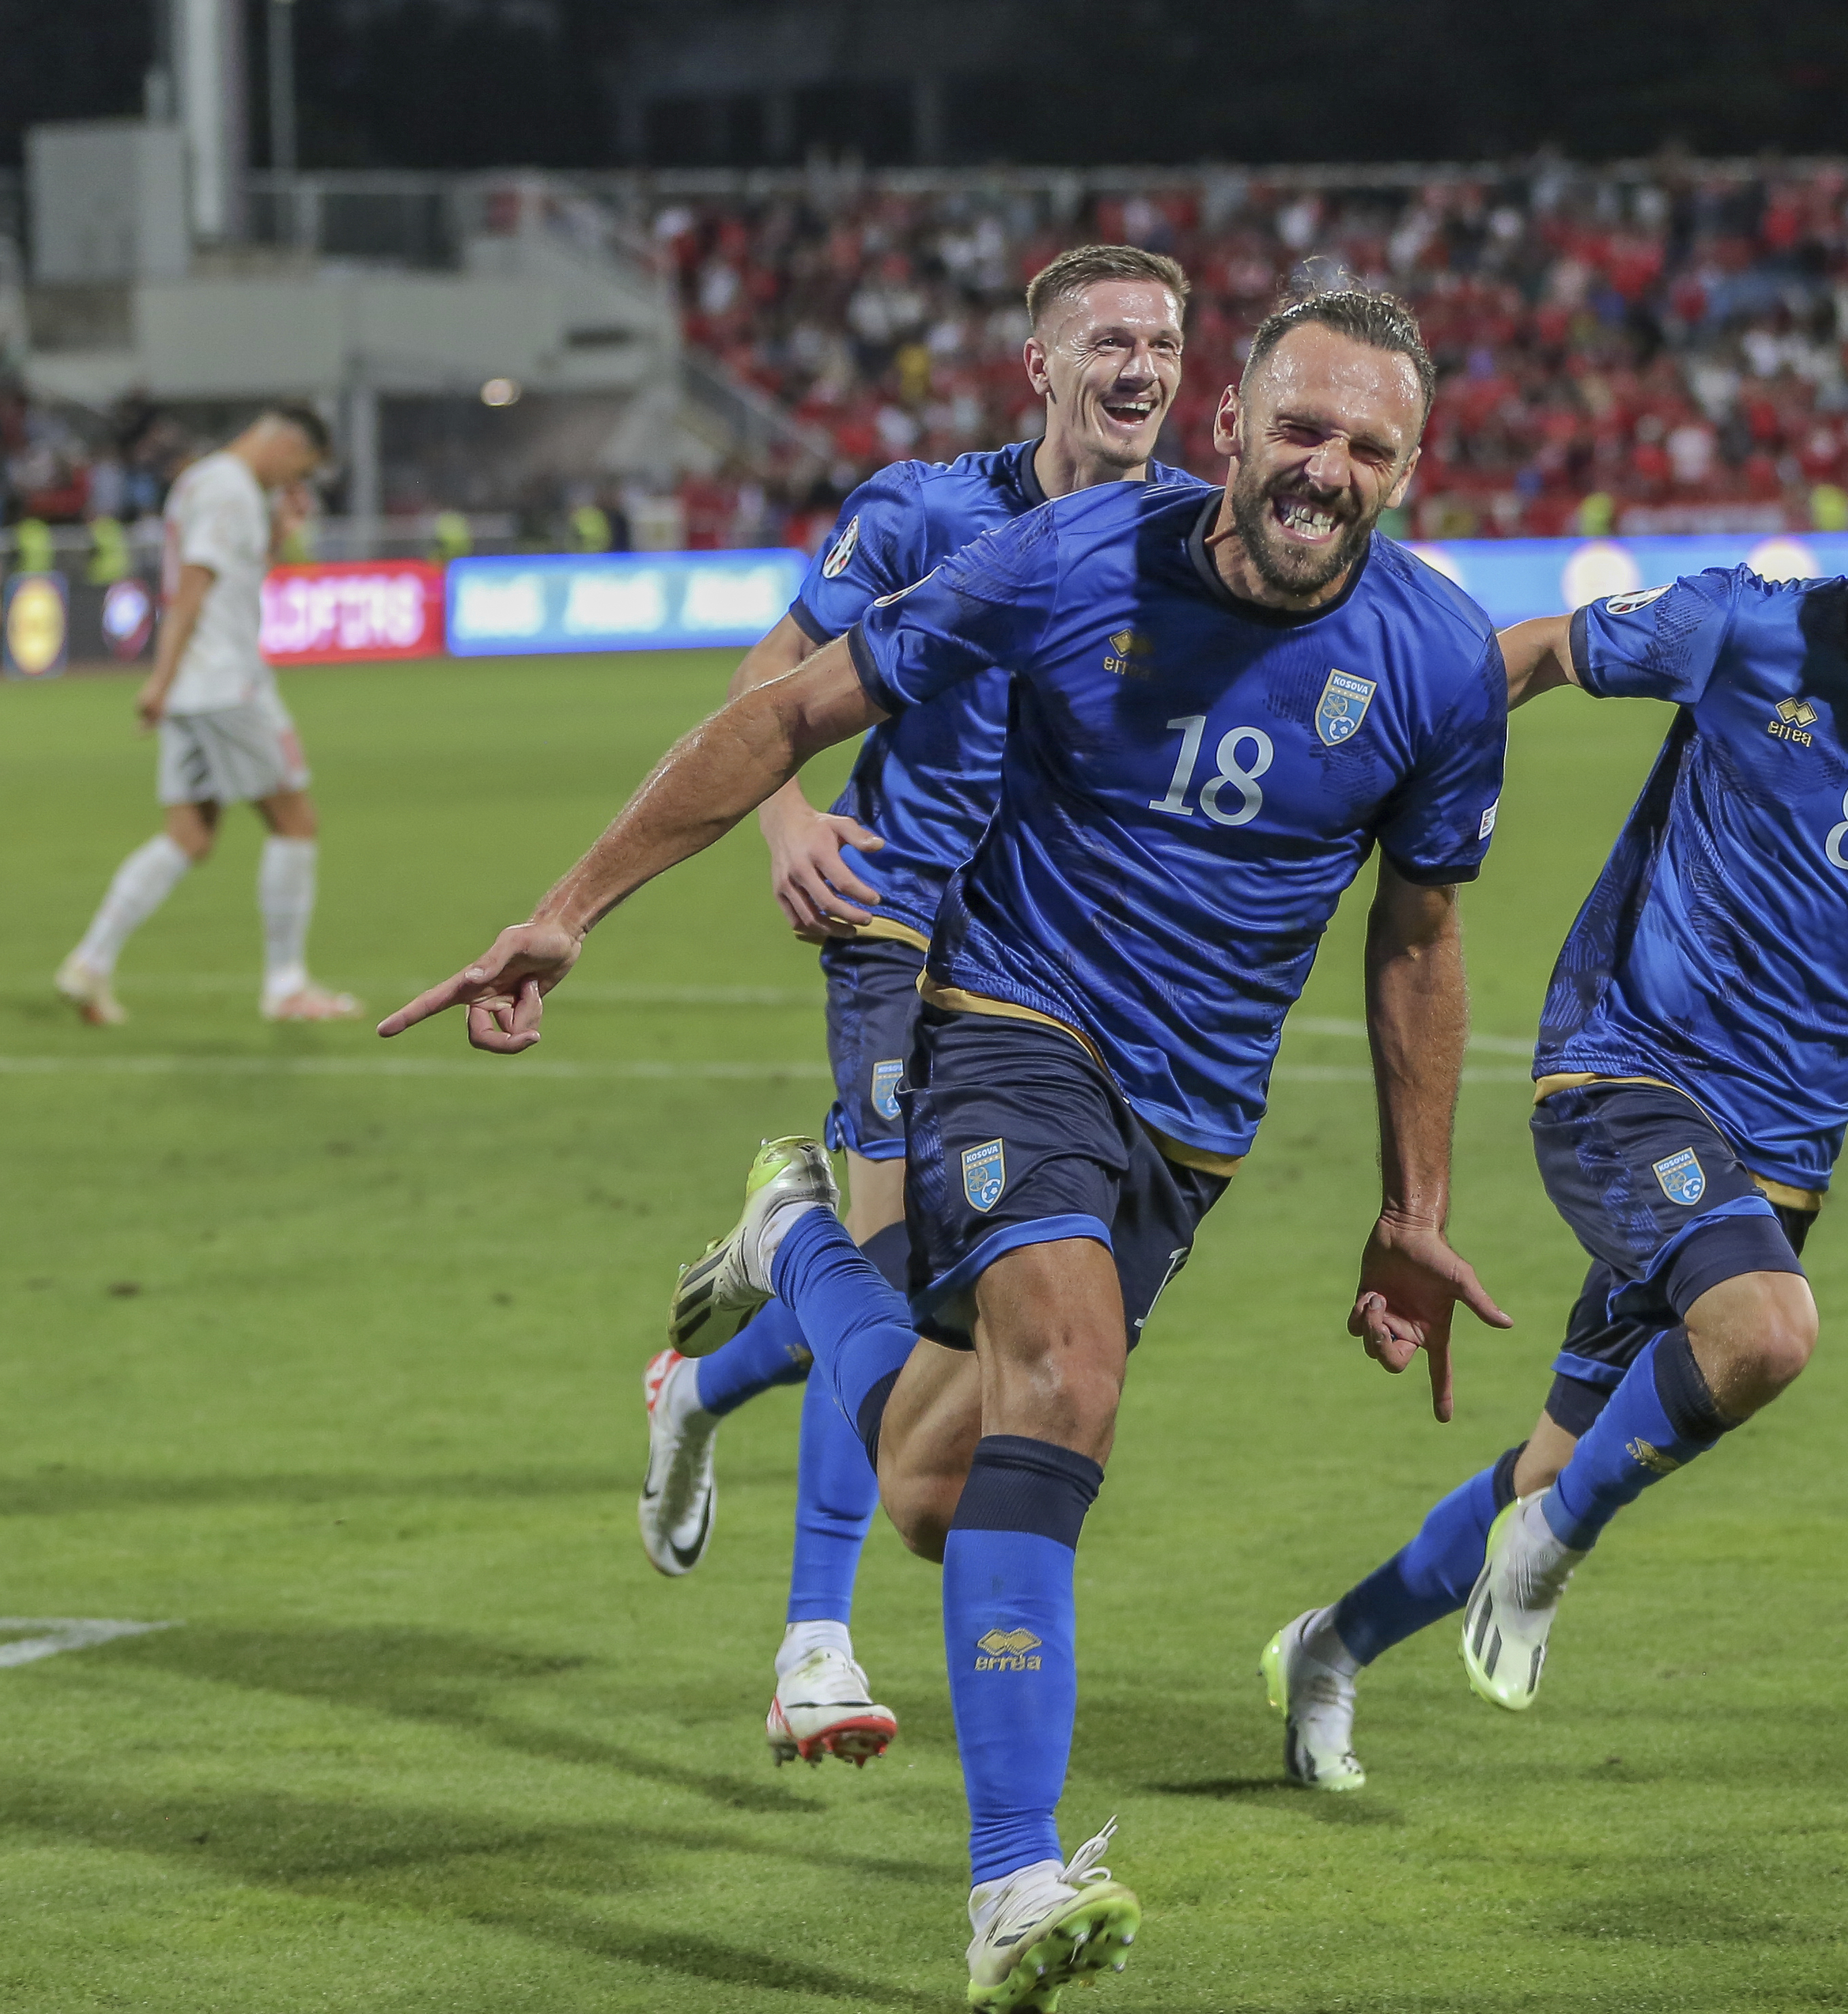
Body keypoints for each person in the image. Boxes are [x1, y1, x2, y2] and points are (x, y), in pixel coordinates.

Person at [383, 288, 1510, 2010]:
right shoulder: (1059, 559)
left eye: (1367, 447)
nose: (1325, 470)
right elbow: (785, 711)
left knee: (930, 1486)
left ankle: (794, 1247)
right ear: (1227, 429)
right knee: (1062, 1378)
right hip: (1003, 1025)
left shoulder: (1434, 659)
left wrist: (1410, 1210)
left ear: (1407, 468)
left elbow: (1416, 939)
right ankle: (1009, 1883)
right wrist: (565, 913)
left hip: (1188, 1125)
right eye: (1297, 429)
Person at [1262, 409, 1848, 1790]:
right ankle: (1545, 1555)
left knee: (1552, 1456)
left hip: (1777, 1151)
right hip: (1619, 1073)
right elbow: (1533, 652)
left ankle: (1330, 1646)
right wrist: (1394, 750)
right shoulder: (1739, 624)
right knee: (1764, 1330)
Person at [635, 243, 1199, 1782]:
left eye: (1158, 339)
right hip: (896, 925)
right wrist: (786, 822)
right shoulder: (924, 509)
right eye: (1106, 339)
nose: (1136, 364)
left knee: (925, 1322)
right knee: (900, 1291)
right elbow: (775, 664)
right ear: (1040, 366)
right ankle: (814, 1645)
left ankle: (709, 1360)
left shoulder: (1184, 539)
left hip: (1061, 979)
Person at [55, 403, 358, 1028]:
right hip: (224, 683)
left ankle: (90, 961)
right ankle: (286, 985)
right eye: (302, 463)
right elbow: (194, 584)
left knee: (188, 835)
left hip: (200, 685)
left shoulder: (204, 480)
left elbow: (228, 578)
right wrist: (158, 681)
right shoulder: (228, 487)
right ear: (282, 443)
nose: (295, 478)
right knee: (296, 821)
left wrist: (276, 535)